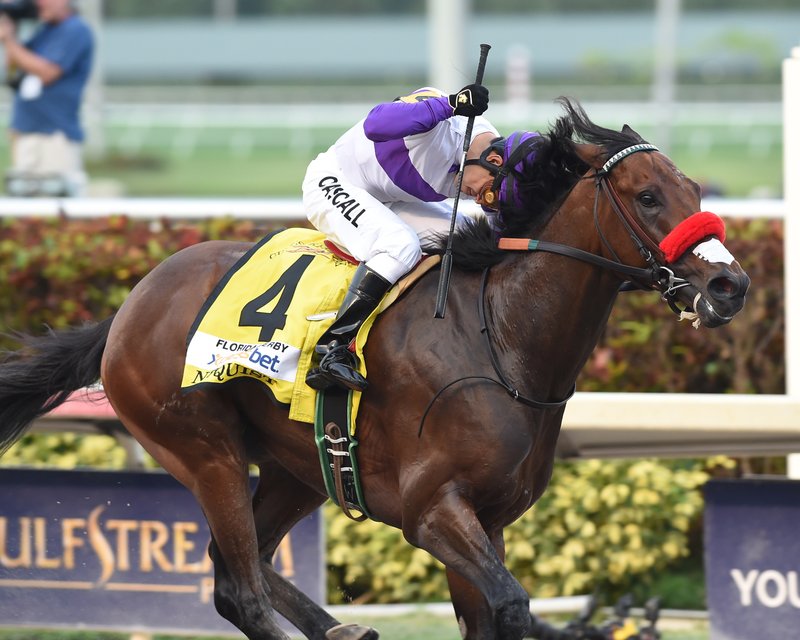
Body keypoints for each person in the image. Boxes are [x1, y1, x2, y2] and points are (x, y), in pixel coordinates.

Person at [302, 83, 540, 392]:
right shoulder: (445, 126)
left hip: (393, 198)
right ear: (493, 162)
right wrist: (450, 104)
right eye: (486, 194)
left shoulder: (490, 164)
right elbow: (376, 123)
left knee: (469, 239)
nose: (481, 202)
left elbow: (503, 235)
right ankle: (331, 349)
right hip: (335, 180)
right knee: (399, 246)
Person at [0, 0, 94, 197]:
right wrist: (12, 31)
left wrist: (10, 41)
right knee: (24, 211)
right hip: (27, 130)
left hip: (55, 133)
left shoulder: (76, 29)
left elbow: (48, 72)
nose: (37, 4)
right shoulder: (43, 31)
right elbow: (13, 70)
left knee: (58, 206)